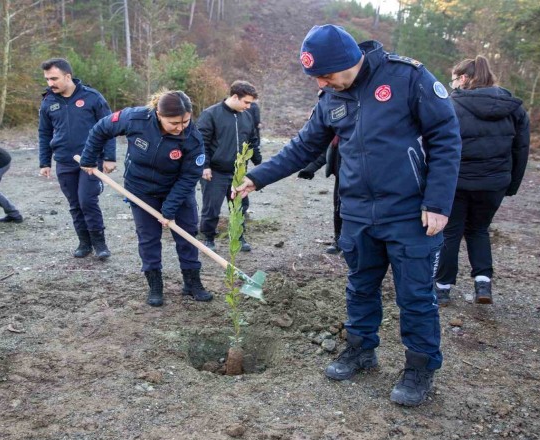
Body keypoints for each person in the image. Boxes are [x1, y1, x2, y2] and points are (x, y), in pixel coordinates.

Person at [232, 25, 461, 406]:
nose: (321, 83)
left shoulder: (407, 77)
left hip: (410, 213)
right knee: (360, 287)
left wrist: (437, 203)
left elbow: (446, 136)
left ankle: (420, 368)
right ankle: (360, 349)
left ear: (348, 61)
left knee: (416, 296)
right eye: (315, 77)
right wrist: (257, 178)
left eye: (325, 75)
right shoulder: (330, 97)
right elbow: (304, 145)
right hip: (356, 212)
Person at [79, 90, 213, 307]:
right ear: (158, 114)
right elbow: (101, 128)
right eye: (174, 123)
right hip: (141, 190)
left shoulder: (193, 137)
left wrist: (169, 208)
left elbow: (190, 176)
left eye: (185, 121)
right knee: (148, 238)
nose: (181, 127)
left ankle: (192, 283)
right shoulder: (135, 118)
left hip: (177, 190)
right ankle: (155, 286)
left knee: (187, 235)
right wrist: (89, 157)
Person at [433, 56, 530, 306]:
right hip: (494, 183)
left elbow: (437, 147)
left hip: (457, 182)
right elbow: (521, 148)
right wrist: (512, 184)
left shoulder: (450, 105)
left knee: (450, 232)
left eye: (453, 78)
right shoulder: (514, 107)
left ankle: (442, 288)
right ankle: (482, 284)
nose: (451, 83)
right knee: (478, 230)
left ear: (464, 78)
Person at [39, 58, 113, 260]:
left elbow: (108, 127)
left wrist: (110, 156)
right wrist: (44, 162)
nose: (50, 83)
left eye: (54, 78)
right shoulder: (48, 101)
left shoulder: (92, 97)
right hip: (64, 160)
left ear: (68, 76)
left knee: (87, 200)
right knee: (75, 204)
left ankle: (100, 244)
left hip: (90, 160)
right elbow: (44, 133)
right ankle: (84, 243)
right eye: (47, 79)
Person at [198, 80, 262, 252]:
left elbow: (252, 140)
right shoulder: (210, 114)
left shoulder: (246, 116)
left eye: (250, 103)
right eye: (246, 102)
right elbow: (201, 142)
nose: (249, 107)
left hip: (238, 173)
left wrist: (258, 160)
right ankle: (208, 238)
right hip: (215, 172)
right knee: (211, 207)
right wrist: (205, 166)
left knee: (240, 206)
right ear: (235, 96)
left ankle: (239, 237)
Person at [298, 135, 342, 254]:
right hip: (340, 175)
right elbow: (326, 151)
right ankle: (339, 240)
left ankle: (354, 244)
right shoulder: (337, 132)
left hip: (356, 178)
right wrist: (310, 168)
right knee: (338, 208)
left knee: (352, 211)